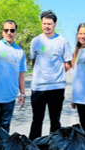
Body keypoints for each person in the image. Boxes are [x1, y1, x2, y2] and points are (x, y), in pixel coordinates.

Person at [28, 10, 72, 139]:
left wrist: (55, 73)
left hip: (56, 88)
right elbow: (34, 61)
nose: (47, 26)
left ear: (55, 24)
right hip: (38, 88)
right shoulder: (35, 41)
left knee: (55, 121)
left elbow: (68, 64)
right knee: (37, 120)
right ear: (41, 24)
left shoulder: (62, 41)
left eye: (50, 23)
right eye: (44, 23)